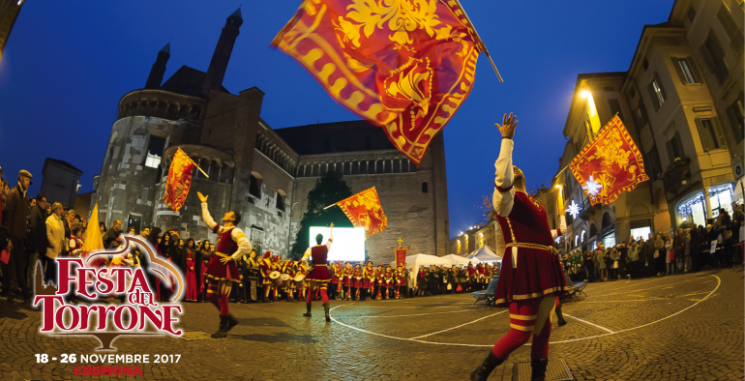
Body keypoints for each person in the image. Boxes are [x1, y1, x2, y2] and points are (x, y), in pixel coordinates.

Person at [471, 113, 566, 381]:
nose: (515, 169)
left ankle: (538, 378)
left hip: (544, 263)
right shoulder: (505, 200)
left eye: (518, 168)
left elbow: (540, 233)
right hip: (523, 263)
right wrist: (507, 141)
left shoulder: (535, 204)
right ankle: (482, 371)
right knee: (520, 333)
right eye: (512, 169)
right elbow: (502, 177)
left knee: (544, 329)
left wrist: (559, 231)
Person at [197, 191, 252, 338]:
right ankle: (229, 319)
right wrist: (204, 204)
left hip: (225, 265)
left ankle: (223, 328)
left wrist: (232, 257)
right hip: (218, 263)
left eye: (228, 213)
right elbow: (208, 221)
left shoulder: (236, 230)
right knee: (210, 295)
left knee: (222, 297)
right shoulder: (223, 230)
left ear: (232, 218)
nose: (225, 213)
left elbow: (247, 246)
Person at [2, 170, 32, 303]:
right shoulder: (14, 194)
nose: (28, 183)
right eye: (26, 180)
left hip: (20, 237)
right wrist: (7, 238)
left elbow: (23, 217)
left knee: (20, 266)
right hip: (12, 236)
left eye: (29, 182)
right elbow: (7, 217)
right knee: (9, 265)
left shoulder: (25, 197)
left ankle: (25, 294)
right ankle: (9, 292)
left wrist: (24, 234)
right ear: (21, 178)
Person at [302, 223, 334, 321]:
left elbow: (304, 259)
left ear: (316, 240)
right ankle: (327, 315)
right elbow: (331, 239)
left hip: (314, 271)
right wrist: (331, 229)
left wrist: (308, 268)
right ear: (321, 240)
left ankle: (309, 312)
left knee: (310, 291)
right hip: (323, 271)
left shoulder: (311, 249)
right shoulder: (326, 247)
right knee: (324, 292)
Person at [27, 193, 48, 288]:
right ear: (39, 201)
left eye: (45, 201)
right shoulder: (35, 210)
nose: (44, 203)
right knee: (32, 268)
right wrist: (35, 245)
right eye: (43, 201)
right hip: (34, 246)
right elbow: (33, 227)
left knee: (34, 268)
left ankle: (31, 288)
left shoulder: (42, 213)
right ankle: (30, 289)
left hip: (39, 246)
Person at [44, 202, 66, 286]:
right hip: (51, 249)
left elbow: (62, 234)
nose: (62, 211)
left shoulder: (60, 221)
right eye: (61, 209)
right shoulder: (49, 219)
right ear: (56, 209)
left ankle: (53, 286)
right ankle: (47, 287)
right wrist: (54, 244)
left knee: (56, 270)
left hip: (59, 250)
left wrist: (63, 245)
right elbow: (48, 234)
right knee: (50, 269)